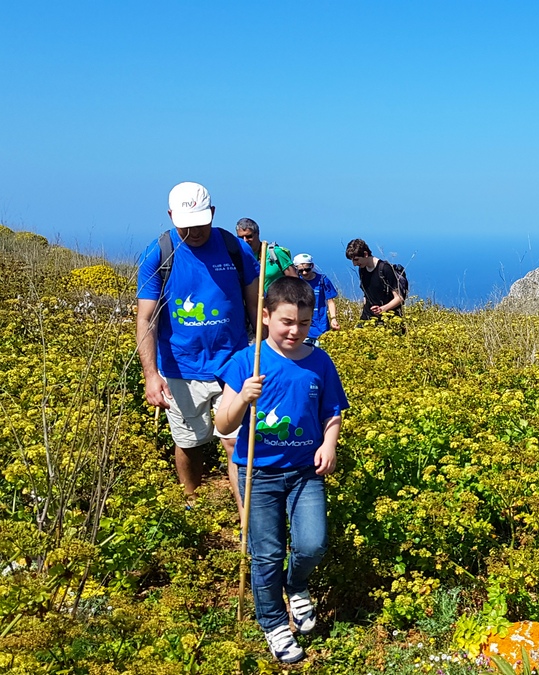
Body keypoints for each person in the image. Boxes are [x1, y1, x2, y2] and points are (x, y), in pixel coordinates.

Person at [215, 276, 347, 664]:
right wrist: (243, 397)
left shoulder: (320, 361)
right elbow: (223, 425)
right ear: (266, 316)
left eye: (304, 323)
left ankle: (297, 584)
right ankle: (273, 622)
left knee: (312, 543)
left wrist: (329, 443)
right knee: (267, 554)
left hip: (306, 470)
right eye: (287, 321)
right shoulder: (246, 360)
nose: (295, 331)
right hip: (258, 472)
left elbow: (332, 412)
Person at [136, 182, 260, 517]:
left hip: (232, 363)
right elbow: (146, 317)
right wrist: (151, 375)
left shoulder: (235, 249)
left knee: (236, 441)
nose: (194, 230)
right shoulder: (158, 253)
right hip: (180, 368)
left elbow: (254, 303)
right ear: (171, 217)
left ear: (214, 214)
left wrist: (265, 356)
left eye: (201, 221)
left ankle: (245, 515)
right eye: (185, 223)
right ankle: (193, 504)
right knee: (189, 442)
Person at [345, 238, 404, 321]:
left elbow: (399, 298)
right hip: (368, 316)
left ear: (365, 254)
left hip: (387, 318)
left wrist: (382, 309)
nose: (354, 264)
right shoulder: (362, 268)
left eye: (356, 260)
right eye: (352, 261)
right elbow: (367, 293)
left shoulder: (385, 269)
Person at [236, 217, 297, 292]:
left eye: (249, 236)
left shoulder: (275, 252)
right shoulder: (239, 257)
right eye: (241, 238)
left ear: (257, 234)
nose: (245, 241)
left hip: (277, 300)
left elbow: (295, 280)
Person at [292, 253, 339, 343]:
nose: (304, 273)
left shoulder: (322, 280)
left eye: (307, 269)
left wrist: (333, 318)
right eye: (301, 271)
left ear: (312, 266)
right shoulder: (297, 282)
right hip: (303, 328)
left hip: (321, 326)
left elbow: (330, 301)